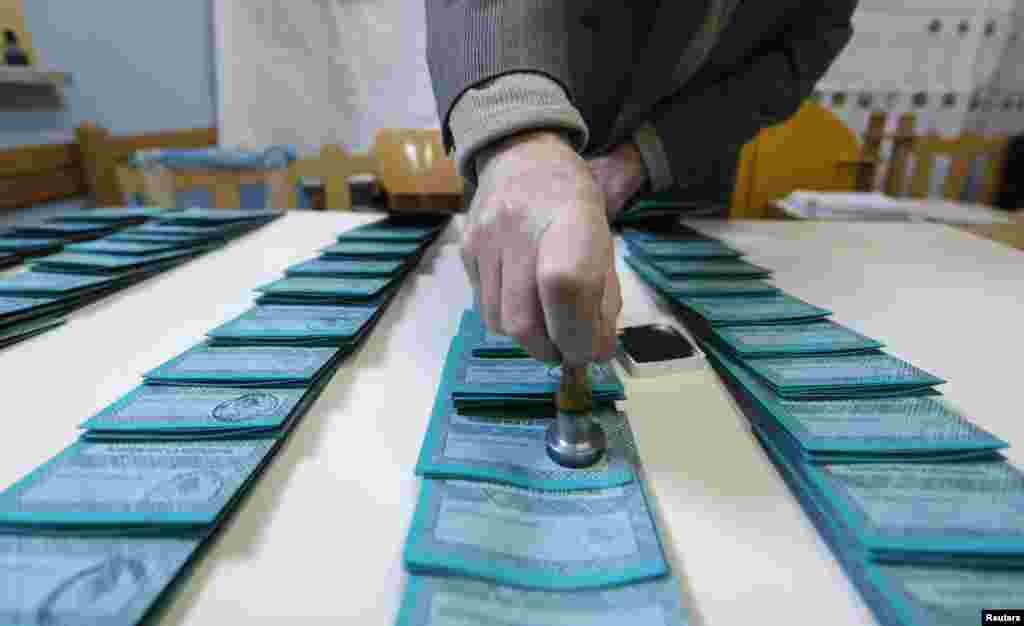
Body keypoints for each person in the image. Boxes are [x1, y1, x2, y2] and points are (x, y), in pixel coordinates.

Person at [425, 1, 857, 366]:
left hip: (678, 188)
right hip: (528, 177)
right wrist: (519, 131)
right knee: (514, 313)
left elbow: (798, 54)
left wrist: (644, 158)